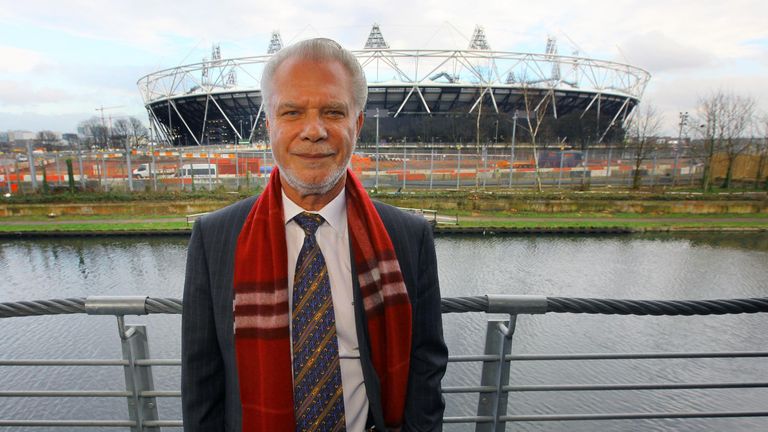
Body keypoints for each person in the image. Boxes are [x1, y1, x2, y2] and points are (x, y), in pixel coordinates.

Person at [182, 38, 447, 431]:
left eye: (333, 111)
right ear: (269, 123)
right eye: (291, 112)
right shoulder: (214, 238)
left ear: (356, 124)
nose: (313, 131)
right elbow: (202, 384)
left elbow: (425, 371)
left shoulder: (408, 238)